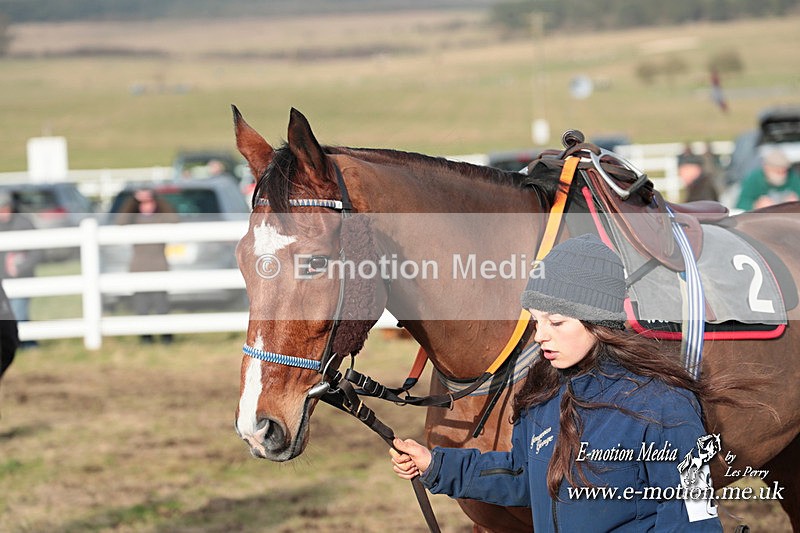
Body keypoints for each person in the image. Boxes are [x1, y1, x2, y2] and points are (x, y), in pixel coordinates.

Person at [390, 234, 728, 531]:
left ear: (599, 321)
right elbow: (523, 476)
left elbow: (693, 518)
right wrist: (436, 465)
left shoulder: (666, 405)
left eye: (556, 321)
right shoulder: (544, 395)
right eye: (536, 321)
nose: (540, 336)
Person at [115, 188, 178, 344]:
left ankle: (166, 337)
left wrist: (158, 199)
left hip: (159, 264)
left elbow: (175, 219)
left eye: (149, 201)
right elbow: (120, 222)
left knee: (161, 304)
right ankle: (145, 337)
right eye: (142, 202)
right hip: (139, 265)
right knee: (141, 305)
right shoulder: (134, 218)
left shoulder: (161, 217)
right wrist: (133, 201)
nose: (146, 205)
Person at [0, 191, 41, 349]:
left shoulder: (23, 223)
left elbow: (36, 251)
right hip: (3, 280)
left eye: (6, 208)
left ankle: (27, 345)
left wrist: (21, 267)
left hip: (20, 278)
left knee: (18, 314)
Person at [735, 148, 800, 210]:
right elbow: (741, 204)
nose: (782, 175)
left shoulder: (793, 177)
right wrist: (756, 205)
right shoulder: (754, 179)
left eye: (784, 171)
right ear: (767, 168)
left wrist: (795, 203)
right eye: (777, 171)